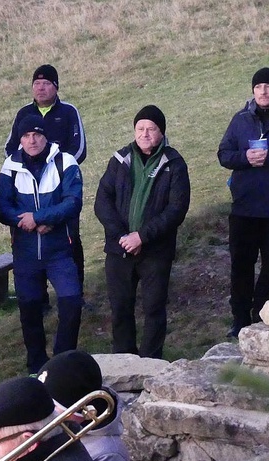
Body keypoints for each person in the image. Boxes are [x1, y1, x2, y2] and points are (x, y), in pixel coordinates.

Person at [94, 105, 190, 358]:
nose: (145, 134)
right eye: (140, 128)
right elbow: (102, 200)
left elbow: (176, 209)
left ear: (161, 132)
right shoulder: (120, 159)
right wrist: (121, 237)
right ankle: (124, 359)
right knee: (120, 308)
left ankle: (150, 361)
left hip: (155, 250)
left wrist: (142, 236)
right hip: (119, 249)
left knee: (154, 308)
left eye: (151, 129)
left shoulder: (174, 164)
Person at [0, 115, 83, 372]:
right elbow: (2, 207)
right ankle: (36, 366)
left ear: (46, 137)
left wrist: (41, 217)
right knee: (29, 309)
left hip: (59, 250)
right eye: (26, 136)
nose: (32, 141)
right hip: (25, 252)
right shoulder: (10, 165)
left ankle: (62, 362)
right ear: (20, 139)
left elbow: (73, 201)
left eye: (37, 135)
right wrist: (27, 222)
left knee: (71, 301)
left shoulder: (65, 162)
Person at [5, 64, 87, 309]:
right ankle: (38, 300)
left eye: (46, 83)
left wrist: (58, 165)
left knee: (70, 237)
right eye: (36, 84)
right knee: (27, 240)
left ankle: (75, 295)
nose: (40, 88)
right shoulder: (23, 114)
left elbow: (79, 147)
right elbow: (9, 148)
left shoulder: (69, 111)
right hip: (27, 188)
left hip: (61, 187)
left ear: (56, 87)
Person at [218, 67, 269, 338]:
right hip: (244, 208)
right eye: (258, 86)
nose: (262, 91)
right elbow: (224, 154)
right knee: (241, 267)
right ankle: (239, 321)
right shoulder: (241, 119)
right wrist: (245, 158)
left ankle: (260, 316)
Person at [38, 350, 132, 461]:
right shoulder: (58, 428)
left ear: (84, 410)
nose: (40, 411)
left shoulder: (109, 457)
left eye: (52, 406)